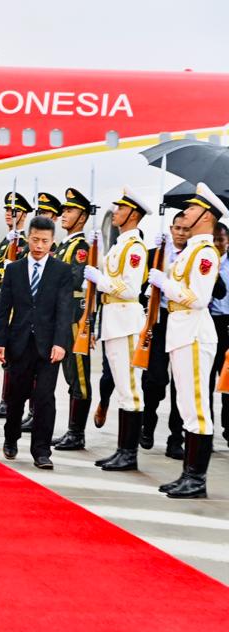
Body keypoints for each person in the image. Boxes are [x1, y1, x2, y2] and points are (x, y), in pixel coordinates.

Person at [148, 183, 226, 498]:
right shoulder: (191, 249)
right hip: (181, 332)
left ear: (206, 215)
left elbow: (198, 298)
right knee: (185, 404)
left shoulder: (206, 252)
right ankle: (187, 475)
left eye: (193, 208)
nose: (188, 212)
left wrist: (165, 283)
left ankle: (197, 478)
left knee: (196, 408)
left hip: (193, 332)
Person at [0, 216, 73, 469]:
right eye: (35, 239)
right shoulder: (15, 269)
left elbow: (64, 310)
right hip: (20, 343)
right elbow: (4, 308)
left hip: (49, 344)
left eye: (45, 241)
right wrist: (0, 341)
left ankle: (42, 450)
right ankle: (11, 438)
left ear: (53, 242)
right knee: (16, 394)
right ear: (28, 238)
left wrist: (61, 342)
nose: (39, 245)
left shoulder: (61, 271)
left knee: (45, 397)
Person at [83, 188, 149, 472]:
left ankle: (129, 453)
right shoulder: (120, 245)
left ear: (133, 214)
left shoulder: (134, 248)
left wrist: (101, 281)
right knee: (123, 390)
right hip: (113, 321)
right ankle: (122, 451)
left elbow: (132, 289)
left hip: (126, 322)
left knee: (131, 391)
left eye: (121, 208)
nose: (117, 211)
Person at [140, 212, 191, 458]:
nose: (181, 233)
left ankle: (175, 438)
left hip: (182, 321)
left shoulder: (195, 256)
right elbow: (139, 290)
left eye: (186, 229)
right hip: (159, 321)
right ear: (171, 229)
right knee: (155, 380)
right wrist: (149, 291)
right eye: (178, 228)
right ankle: (147, 425)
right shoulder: (155, 254)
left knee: (180, 384)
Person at [51, 188, 95, 450]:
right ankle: (71, 430)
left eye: (70, 210)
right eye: (64, 210)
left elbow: (75, 280)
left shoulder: (80, 247)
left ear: (82, 217)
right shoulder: (66, 245)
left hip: (75, 320)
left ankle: (77, 433)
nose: (64, 214)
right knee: (69, 376)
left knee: (78, 377)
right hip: (62, 317)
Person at [0, 191, 30, 419]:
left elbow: (5, 272)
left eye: (13, 211)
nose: (8, 214)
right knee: (6, 356)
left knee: (14, 357)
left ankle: (14, 402)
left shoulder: (24, 243)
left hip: (14, 308)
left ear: (23, 214)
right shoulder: (7, 240)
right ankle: (5, 400)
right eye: (6, 210)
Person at [209, 222, 229, 444]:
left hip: (228, 324)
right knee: (206, 379)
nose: (216, 244)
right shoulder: (204, 260)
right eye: (213, 239)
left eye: (220, 240)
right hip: (210, 322)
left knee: (228, 379)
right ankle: (207, 430)